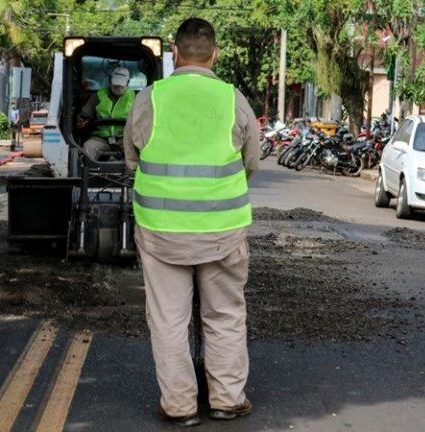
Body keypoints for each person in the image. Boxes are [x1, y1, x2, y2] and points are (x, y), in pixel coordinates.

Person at [123, 18, 260, 427]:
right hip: (222, 230)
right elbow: (250, 162)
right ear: (214, 54)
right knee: (225, 315)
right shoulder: (232, 99)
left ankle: (180, 406)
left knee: (168, 319)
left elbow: (133, 159)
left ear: (175, 53)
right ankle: (227, 399)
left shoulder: (151, 97)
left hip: (161, 230)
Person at [77, 67, 135, 160]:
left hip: (124, 139)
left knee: (136, 148)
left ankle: (131, 172)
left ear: (128, 83)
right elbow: (86, 113)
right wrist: (82, 120)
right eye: (116, 85)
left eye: (121, 85)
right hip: (101, 138)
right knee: (88, 147)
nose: (118, 88)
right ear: (110, 81)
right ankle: (89, 171)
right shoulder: (98, 95)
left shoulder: (134, 97)